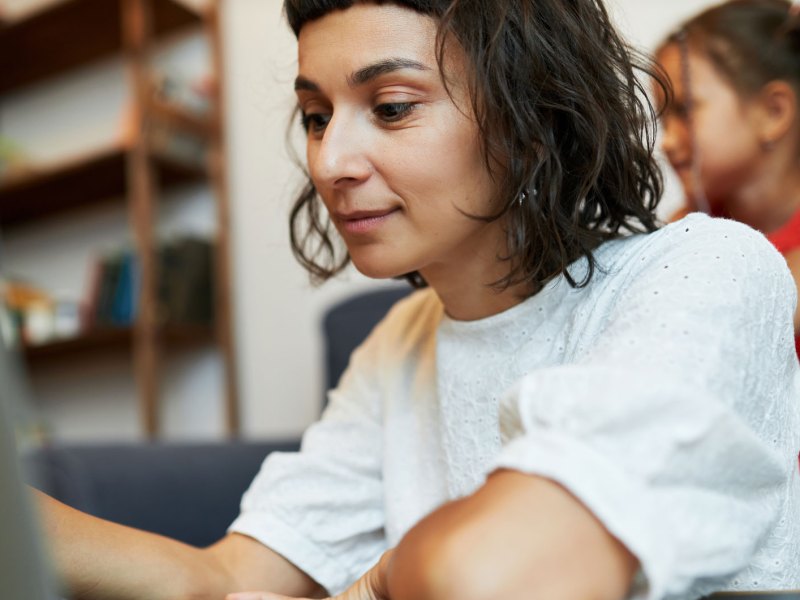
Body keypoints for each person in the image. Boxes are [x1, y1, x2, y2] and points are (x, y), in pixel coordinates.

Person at [36, 1, 800, 600]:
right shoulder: (400, 342)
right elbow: (221, 579)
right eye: (316, 116)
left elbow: (498, 578)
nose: (330, 161)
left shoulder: (707, 269)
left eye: (393, 107)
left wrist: (377, 582)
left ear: (530, 122)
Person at [656, 0, 800, 351]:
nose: (667, 141)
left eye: (684, 110)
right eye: (663, 119)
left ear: (773, 112)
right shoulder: (691, 226)